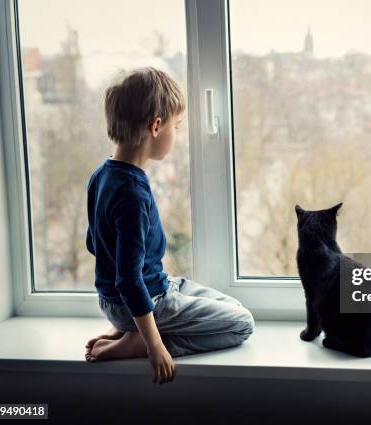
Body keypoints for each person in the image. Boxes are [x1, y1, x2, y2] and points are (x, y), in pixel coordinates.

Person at [84, 67, 254, 384]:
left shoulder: (102, 175)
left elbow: (94, 245)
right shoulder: (133, 193)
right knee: (241, 323)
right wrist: (155, 346)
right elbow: (130, 279)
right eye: (177, 126)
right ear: (156, 126)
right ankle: (140, 340)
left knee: (232, 306)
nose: (177, 134)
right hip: (146, 299)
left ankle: (126, 329)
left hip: (126, 298)